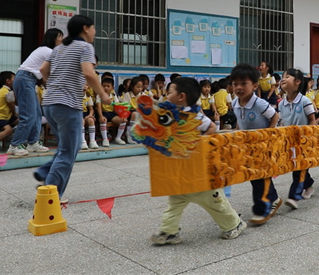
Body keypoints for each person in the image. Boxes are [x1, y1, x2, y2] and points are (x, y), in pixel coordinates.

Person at [151, 77, 246, 245]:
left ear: (181, 96)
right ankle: (169, 231)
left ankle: (234, 224)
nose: (166, 95)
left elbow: (211, 129)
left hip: (199, 175)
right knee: (174, 203)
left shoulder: (193, 115)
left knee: (215, 202)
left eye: (170, 92)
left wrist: (197, 142)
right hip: (180, 174)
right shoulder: (169, 115)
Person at [33, 15, 110, 203]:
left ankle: (45, 171)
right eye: (93, 28)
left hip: (50, 103)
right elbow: (88, 72)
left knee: (67, 148)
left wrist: (56, 84)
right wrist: (103, 94)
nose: (95, 32)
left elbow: (43, 70)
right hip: (67, 105)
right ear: (85, 28)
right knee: (69, 152)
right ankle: (49, 197)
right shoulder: (85, 47)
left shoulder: (59, 48)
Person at [230, 63, 282, 226]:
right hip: (247, 145)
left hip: (263, 144)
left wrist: (267, 135)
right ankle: (274, 198)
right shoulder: (235, 103)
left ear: (254, 86)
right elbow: (240, 121)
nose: (238, 88)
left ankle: (262, 209)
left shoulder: (260, 103)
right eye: (235, 84)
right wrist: (237, 136)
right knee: (256, 175)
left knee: (260, 175)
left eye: (243, 84)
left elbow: (275, 117)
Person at [10, 29, 63, 156]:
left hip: (28, 80)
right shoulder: (48, 51)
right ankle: (15, 145)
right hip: (25, 79)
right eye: (60, 36)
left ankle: (33, 143)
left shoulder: (45, 50)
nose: (62, 39)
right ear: (53, 38)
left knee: (37, 114)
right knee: (28, 115)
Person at [278, 68, 317, 209]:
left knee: (299, 167)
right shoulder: (281, 104)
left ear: (297, 82)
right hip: (289, 141)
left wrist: (309, 137)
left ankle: (294, 195)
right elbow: (282, 122)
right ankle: (309, 184)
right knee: (296, 165)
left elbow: (312, 119)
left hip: (303, 140)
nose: (283, 79)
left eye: (287, 76)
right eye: (282, 77)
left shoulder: (305, 101)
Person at [95, 77, 124, 147]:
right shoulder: (99, 95)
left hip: (111, 113)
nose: (106, 88)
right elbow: (98, 107)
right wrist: (101, 116)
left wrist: (122, 116)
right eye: (104, 86)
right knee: (103, 120)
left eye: (108, 86)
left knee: (123, 121)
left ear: (112, 88)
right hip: (103, 113)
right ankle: (105, 139)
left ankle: (118, 138)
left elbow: (117, 107)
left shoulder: (114, 96)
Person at [121, 76, 146, 143]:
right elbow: (125, 107)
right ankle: (130, 133)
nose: (139, 89)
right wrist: (124, 116)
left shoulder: (143, 95)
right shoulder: (127, 95)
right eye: (137, 87)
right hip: (129, 112)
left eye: (141, 87)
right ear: (132, 86)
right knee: (134, 114)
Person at [80, 85, 98, 150]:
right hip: (76, 114)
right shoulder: (73, 96)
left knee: (91, 120)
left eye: (86, 85)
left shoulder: (88, 97)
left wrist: (90, 115)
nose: (84, 87)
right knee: (81, 121)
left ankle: (92, 141)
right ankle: (82, 141)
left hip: (85, 114)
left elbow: (91, 109)